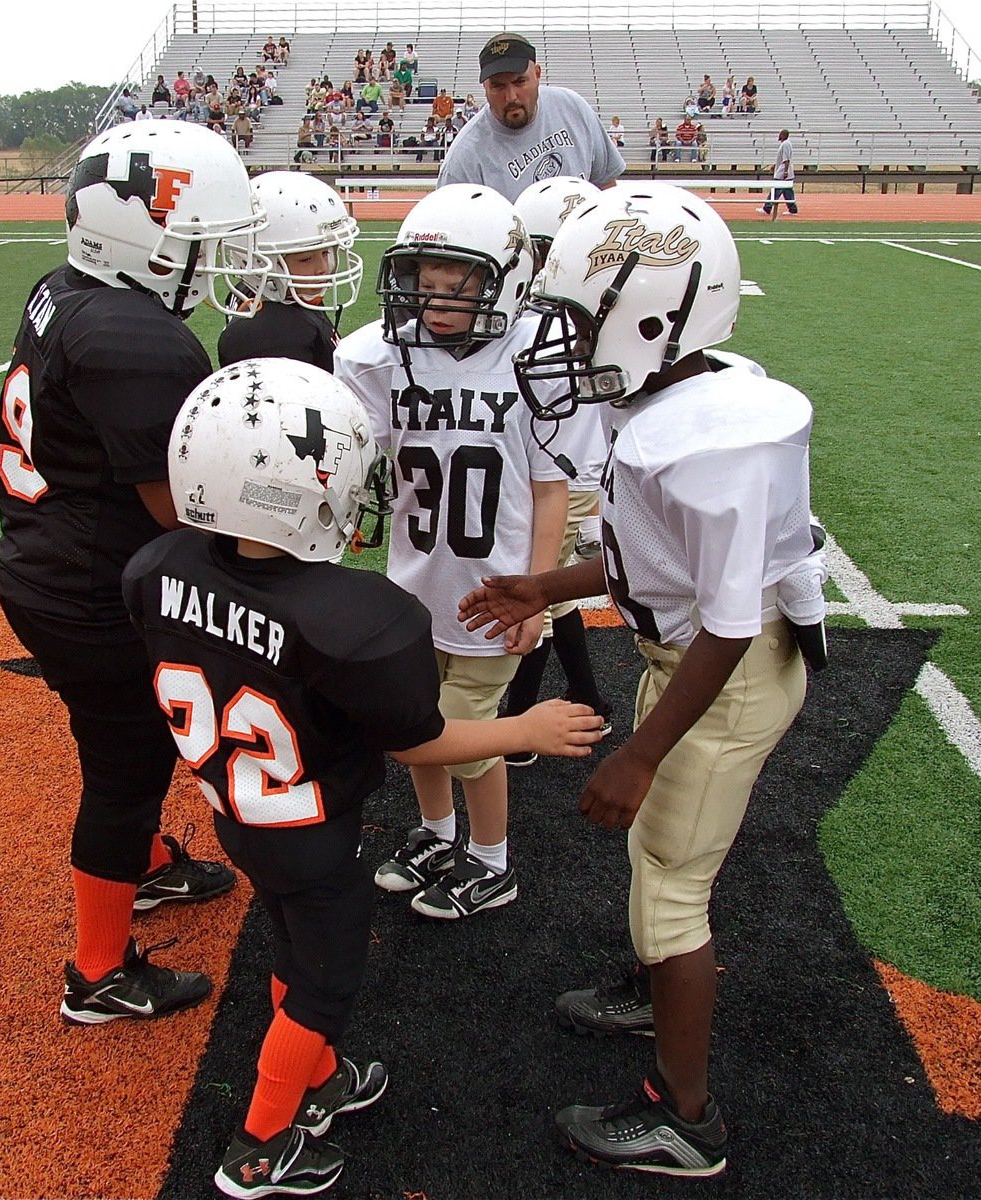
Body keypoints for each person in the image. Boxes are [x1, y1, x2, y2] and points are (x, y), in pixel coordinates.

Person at [123, 358, 601, 1198]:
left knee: (292, 942)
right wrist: (524, 726)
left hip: (236, 809)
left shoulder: (155, 567)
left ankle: (321, 1076)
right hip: (309, 830)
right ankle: (262, 1146)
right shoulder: (358, 618)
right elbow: (416, 742)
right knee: (324, 979)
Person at [458, 182, 827, 1177]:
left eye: (581, 319)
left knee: (670, 888)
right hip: (705, 658)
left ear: (660, 318)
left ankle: (686, 1118)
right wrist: (544, 580)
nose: (562, 341)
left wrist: (641, 752)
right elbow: (643, 557)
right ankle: (650, 985)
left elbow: (731, 619)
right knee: (661, 871)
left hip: (726, 672)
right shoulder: (678, 396)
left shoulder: (713, 444)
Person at [0, 121, 270, 1025]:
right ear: (139, 236)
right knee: (126, 763)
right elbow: (177, 509)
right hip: (86, 585)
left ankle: (144, 864)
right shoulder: (135, 338)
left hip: (46, 556)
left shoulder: (66, 287)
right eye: (194, 239)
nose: (206, 261)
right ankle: (98, 973)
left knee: (119, 745)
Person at [333, 185, 575, 920]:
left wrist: (537, 591)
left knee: (464, 736)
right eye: (423, 284)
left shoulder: (534, 359)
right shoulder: (381, 357)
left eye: (454, 287)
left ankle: (493, 859)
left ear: (506, 280)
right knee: (416, 723)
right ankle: (439, 834)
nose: (434, 302)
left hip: (490, 590)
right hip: (412, 580)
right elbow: (352, 453)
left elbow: (549, 491)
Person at [503, 175, 613, 766]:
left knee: (538, 589)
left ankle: (518, 718)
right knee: (558, 594)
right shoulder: (586, 307)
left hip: (564, 471)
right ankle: (590, 698)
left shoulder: (561, 318)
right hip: (565, 465)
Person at [437, 32, 624, 201]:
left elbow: (606, 186)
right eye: (498, 86)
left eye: (519, 81)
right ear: (485, 88)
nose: (511, 97)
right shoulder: (462, 161)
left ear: (537, 74)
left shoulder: (573, 108)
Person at [219, 172, 362, 371]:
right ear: (260, 261)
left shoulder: (268, 295)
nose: (322, 268)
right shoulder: (274, 335)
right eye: (305, 259)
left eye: (325, 252)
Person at [761, 129, 799, 215]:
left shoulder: (786, 144)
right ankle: (793, 209)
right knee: (787, 191)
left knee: (775, 189)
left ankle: (767, 208)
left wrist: (785, 172)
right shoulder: (785, 144)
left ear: (784, 135)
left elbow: (786, 159)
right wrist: (774, 166)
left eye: (781, 134)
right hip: (783, 171)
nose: (779, 136)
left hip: (783, 173)